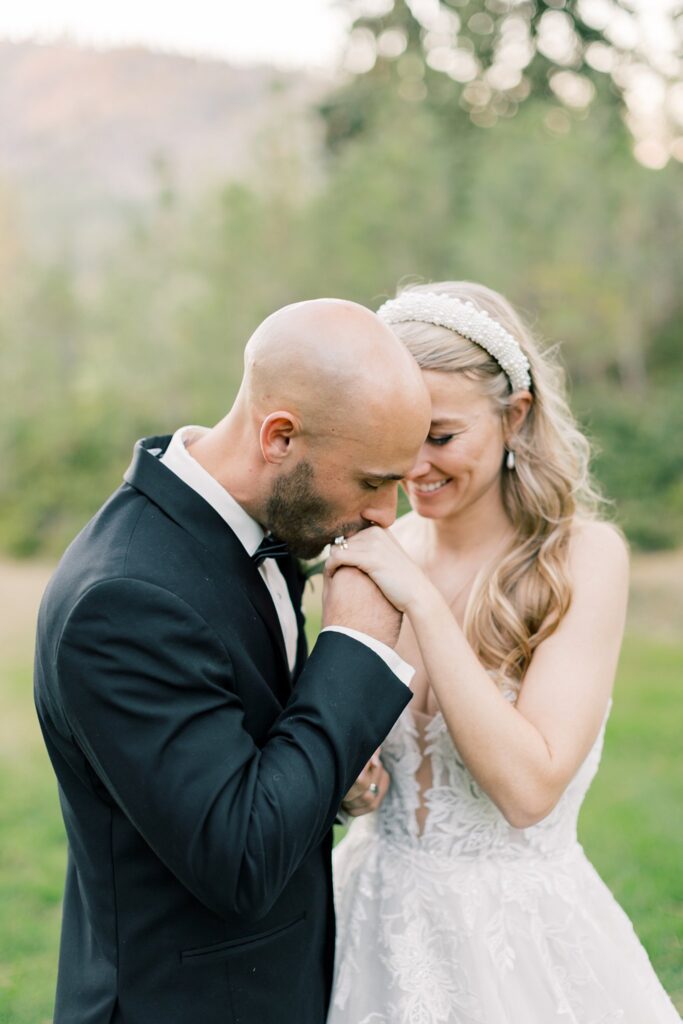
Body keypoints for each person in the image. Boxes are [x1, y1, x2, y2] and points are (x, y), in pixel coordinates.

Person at [34, 297, 433, 1024]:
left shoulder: (269, 525)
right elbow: (241, 860)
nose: (387, 515)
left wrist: (326, 786)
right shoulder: (123, 601)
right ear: (279, 436)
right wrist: (355, 647)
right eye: (374, 483)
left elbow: (246, 772)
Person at [327, 282, 681, 1023]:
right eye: (395, 434)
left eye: (441, 435)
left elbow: (528, 792)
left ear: (513, 417)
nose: (413, 466)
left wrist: (420, 601)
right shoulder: (364, 556)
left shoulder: (581, 559)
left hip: (515, 946)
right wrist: (348, 785)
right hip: (364, 920)